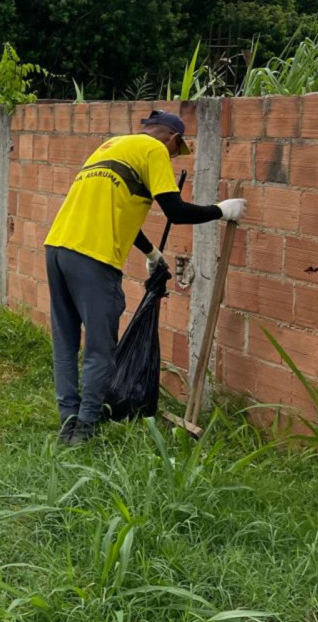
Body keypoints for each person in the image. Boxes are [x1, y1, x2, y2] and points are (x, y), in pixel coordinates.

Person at [44, 110, 247, 445]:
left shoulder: (110, 146)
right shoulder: (154, 150)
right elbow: (176, 212)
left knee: (65, 341)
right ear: (171, 138)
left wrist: (151, 253)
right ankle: (86, 427)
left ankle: (68, 419)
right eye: (174, 150)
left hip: (57, 248)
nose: (170, 157)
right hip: (94, 258)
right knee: (100, 347)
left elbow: (119, 210)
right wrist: (221, 210)